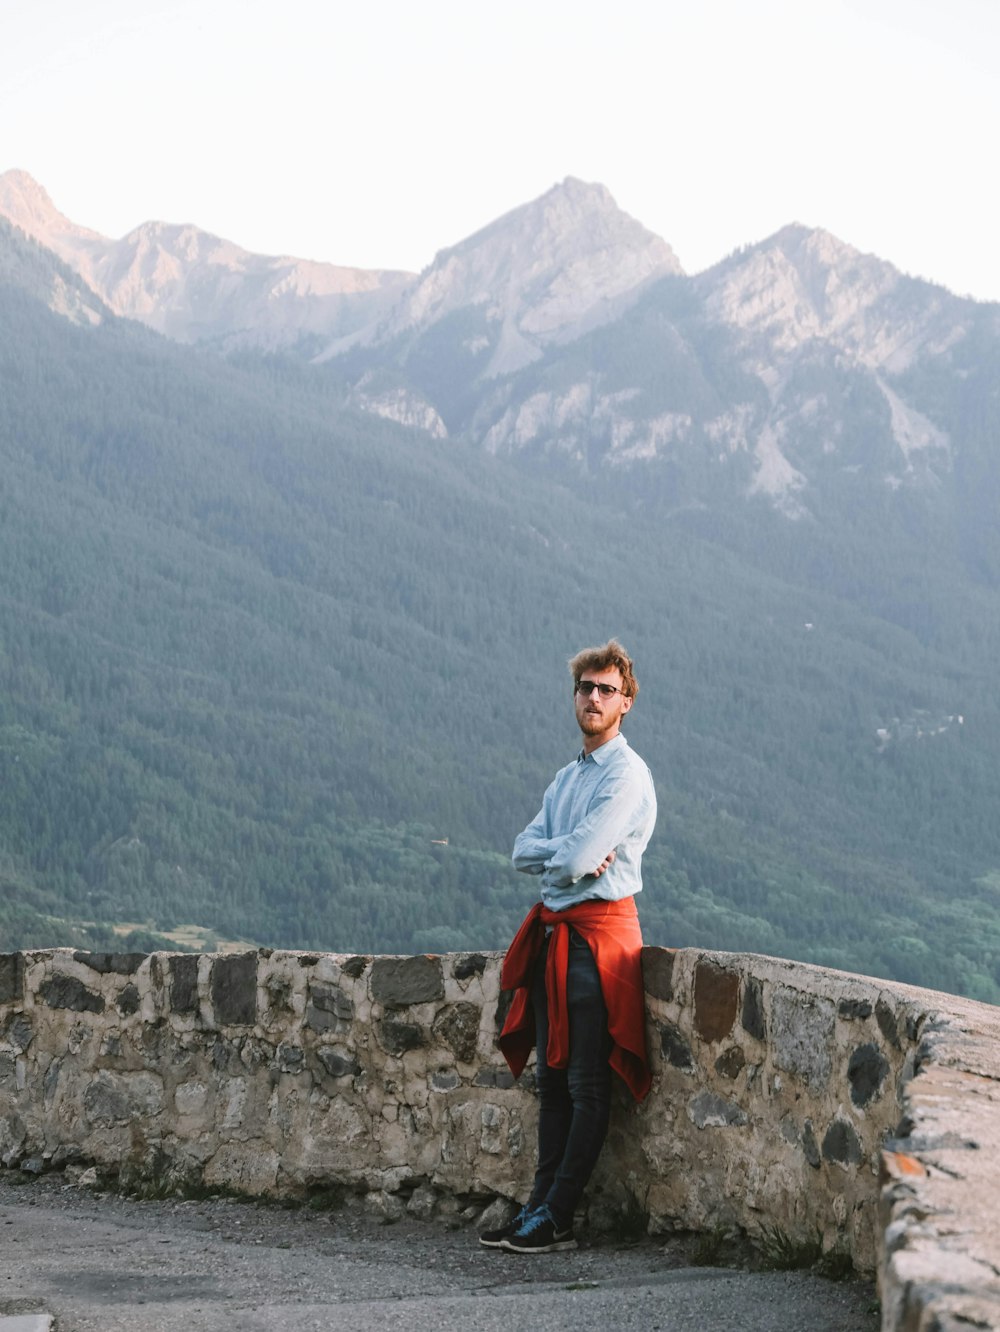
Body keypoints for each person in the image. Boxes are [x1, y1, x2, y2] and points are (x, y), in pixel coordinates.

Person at [481, 639, 657, 1255]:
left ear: (626, 703)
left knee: (585, 1080)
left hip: (600, 941)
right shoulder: (566, 779)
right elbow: (521, 851)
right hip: (559, 935)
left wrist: (567, 856)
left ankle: (558, 1215)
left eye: (607, 689)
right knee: (551, 1080)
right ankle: (536, 1207)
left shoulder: (627, 776)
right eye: (586, 688)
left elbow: (586, 859)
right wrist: (569, 856)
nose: (594, 698)